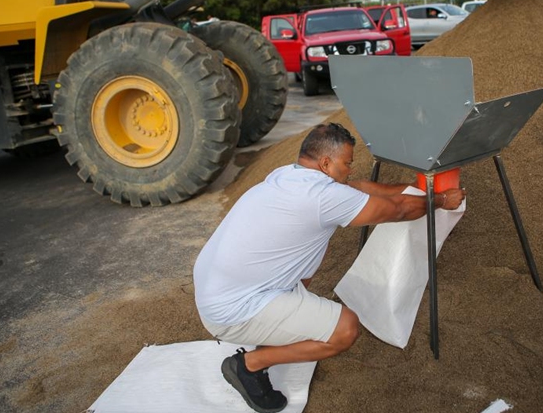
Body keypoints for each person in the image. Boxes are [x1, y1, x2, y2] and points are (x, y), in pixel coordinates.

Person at [193, 123, 465, 413]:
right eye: (346, 163)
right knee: (345, 330)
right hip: (232, 310)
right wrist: (442, 200)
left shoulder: (289, 175)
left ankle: (268, 332)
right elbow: (397, 210)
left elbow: (361, 189)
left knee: (308, 270)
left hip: (219, 289)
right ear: (325, 163)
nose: (350, 170)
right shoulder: (323, 198)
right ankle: (247, 365)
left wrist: (420, 191)